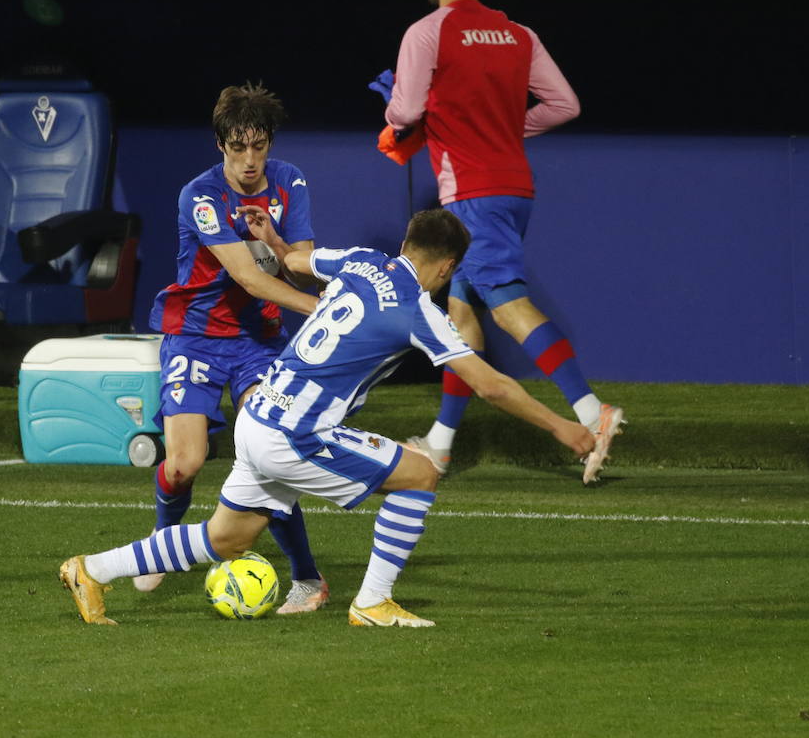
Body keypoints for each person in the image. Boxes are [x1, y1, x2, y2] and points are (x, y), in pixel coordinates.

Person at [60, 209, 595, 627]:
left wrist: (272, 240)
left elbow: (296, 262)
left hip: (259, 417)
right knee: (422, 474)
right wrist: (562, 426)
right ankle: (374, 602)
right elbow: (490, 384)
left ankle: (92, 570)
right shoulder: (419, 310)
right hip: (296, 433)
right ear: (448, 266)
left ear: (405, 244)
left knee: (227, 539)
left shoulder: (361, 260)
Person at [371, 0, 624, 484]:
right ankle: (440, 445)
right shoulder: (518, 34)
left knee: (508, 307)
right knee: (460, 314)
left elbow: (406, 111)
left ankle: (591, 411)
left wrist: (393, 109)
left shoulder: (426, 33)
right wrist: (509, 131)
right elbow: (565, 105)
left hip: (471, 195)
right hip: (515, 187)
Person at [143, 82, 328, 613]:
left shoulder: (290, 182)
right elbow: (247, 278)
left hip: (259, 341)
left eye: (259, 146)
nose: (250, 160)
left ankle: (309, 580)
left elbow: (301, 262)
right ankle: (161, 546)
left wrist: (274, 238)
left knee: (271, 458)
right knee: (184, 462)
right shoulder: (201, 196)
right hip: (196, 335)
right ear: (220, 145)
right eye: (238, 147)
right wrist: (322, 311)